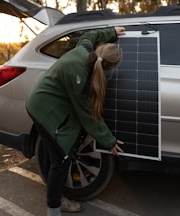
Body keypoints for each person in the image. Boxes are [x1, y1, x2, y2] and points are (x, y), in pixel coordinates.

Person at [26, 26, 125, 216]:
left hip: (46, 100)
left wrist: (111, 31)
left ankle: (54, 195)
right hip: (44, 109)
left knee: (54, 151)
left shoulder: (84, 48)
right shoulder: (79, 77)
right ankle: (54, 208)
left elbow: (91, 34)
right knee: (61, 159)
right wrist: (109, 140)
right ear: (108, 68)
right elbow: (87, 116)